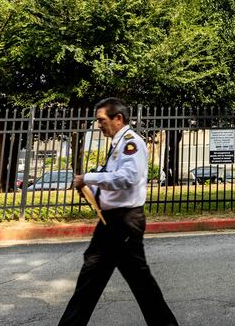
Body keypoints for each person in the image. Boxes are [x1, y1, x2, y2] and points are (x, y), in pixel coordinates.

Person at [59, 97, 178, 326]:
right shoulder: (118, 144)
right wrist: (91, 191)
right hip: (110, 221)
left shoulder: (132, 143)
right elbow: (112, 180)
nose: (99, 125)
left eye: (102, 120)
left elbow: (127, 178)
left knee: (138, 281)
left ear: (118, 118)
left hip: (124, 221)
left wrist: (88, 178)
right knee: (92, 276)